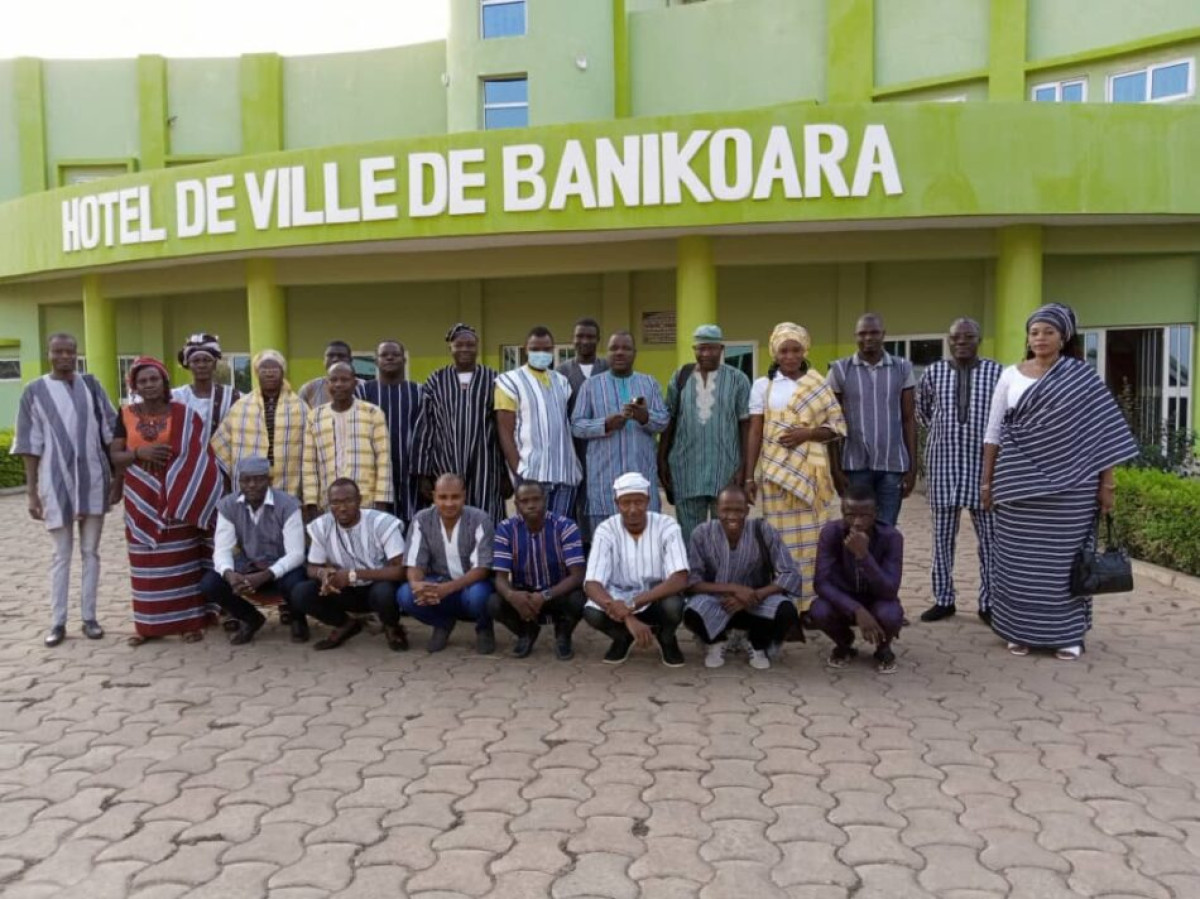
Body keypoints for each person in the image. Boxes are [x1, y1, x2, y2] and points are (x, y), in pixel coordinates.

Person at [982, 303, 1136, 660]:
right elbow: (993, 433)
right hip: (1017, 485)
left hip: (1072, 488)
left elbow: (1105, 434)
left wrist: (1107, 485)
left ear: (1063, 337)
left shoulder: (1081, 377)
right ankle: (1018, 631)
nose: (1040, 338)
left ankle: (1066, 636)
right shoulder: (1009, 375)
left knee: (1063, 562)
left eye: (1048, 332)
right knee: (1017, 562)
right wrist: (986, 483)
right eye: (1034, 332)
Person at [12, 332, 118, 647]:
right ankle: (57, 622)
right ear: (49, 354)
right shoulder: (34, 391)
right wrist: (31, 492)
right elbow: (30, 445)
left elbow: (112, 432)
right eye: (58, 351)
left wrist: (118, 478)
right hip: (54, 484)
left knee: (91, 553)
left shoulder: (92, 385)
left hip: (94, 481)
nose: (65, 356)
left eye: (70, 351)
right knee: (61, 555)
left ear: (76, 353)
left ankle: (90, 618)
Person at [109, 357, 223, 646]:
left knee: (181, 562)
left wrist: (186, 488)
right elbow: (115, 457)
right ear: (134, 386)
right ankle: (147, 627)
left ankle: (188, 623)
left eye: (153, 379)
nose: (148, 385)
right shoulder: (124, 415)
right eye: (142, 381)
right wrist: (139, 454)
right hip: (140, 501)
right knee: (144, 564)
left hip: (179, 498)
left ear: (164, 382)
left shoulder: (184, 413)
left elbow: (200, 456)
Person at [744, 323, 846, 610]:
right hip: (775, 476)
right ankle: (784, 604)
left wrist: (807, 434)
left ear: (805, 351)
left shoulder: (818, 384)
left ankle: (812, 605)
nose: (790, 356)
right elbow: (755, 431)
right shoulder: (763, 386)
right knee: (779, 542)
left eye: (796, 350)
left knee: (813, 543)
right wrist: (750, 476)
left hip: (810, 476)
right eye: (783, 351)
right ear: (775, 353)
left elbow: (837, 428)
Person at [916, 318, 1003, 623]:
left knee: (990, 540)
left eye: (968, 337)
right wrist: (948, 433)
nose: (961, 342)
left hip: (983, 470)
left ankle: (989, 603)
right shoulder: (934, 372)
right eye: (955, 337)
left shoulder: (997, 372)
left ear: (979, 339)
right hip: (943, 465)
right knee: (941, 538)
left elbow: (1006, 417)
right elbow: (922, 412)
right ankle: (943, 599)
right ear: (949, 341)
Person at [683, 485, 802, 670]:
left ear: (747, 510)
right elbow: (692, 582)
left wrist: (755, 595)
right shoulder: (702, 533)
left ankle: (757, 644)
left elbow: (790, 573)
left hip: (757, 602)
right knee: (691, 612)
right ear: (717, 509)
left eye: (738, 510)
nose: (732, 515)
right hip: (718, 602)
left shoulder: (762, 530)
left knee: (786, 611)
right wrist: (734, 589)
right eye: (726, 510)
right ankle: (716, 642)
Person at [582, 472, 689, 667]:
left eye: (638, 502)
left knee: (674, 605)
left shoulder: (667, 526)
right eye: (626, 503)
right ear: (616, 503)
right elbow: (591, 584)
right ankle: (623, 637)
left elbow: (680, 578)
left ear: (648, 500)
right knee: (592, 612)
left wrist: (633, 604)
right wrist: (628, 616)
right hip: (618, 601)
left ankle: (666, 638)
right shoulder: (606, 530)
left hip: (655, 598)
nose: (632, 509)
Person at [200, 455, 309, 645]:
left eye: (258, 479)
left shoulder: (288, 505)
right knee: (211, 583)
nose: (251, 485)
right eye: (246, 480)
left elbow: (296, 554)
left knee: (297, 582)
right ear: (239, 482)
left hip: (281, 568)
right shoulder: (228, 505)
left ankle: (298, 618)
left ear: (269, 480)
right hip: (249, 568)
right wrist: (228, 573)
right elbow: (222, 549)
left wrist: (266, 575)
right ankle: (251, 618)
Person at [571, 331, 670, 535]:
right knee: (606, 543)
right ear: (606, 353)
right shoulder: (591, 386)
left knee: (646, 540)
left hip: (642, 477)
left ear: (635, 353)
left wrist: (644, 417)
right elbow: (577, 425)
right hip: (604, 481)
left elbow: (663, 421)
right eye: (614, 348)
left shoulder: (649, 383)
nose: (620, 353)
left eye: (626, 348)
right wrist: (604, 425)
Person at [292, 478, 408, 651]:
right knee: (301, 593)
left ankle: (392, 627)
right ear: (329, 504)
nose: (342, 508)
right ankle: (346, 624)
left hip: (376, 589)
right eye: (336, 503)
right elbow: (312, 567)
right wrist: (324, 575)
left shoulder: (382, 523)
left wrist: (353, 575)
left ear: (359, 500)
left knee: (384, 593)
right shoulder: (322, 526)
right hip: (343, 590)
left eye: (348, 501)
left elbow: (401, 571)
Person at [660, 324, 752, 542]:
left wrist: (745, 467)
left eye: (711, 348)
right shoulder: (680, 377)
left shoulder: (738, 380)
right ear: (694, 349)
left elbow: (745, 425)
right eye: (701, 348)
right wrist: (661, 460)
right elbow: (669, 420)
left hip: (725, 468)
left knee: (725, 531)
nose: (706, 354)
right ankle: (694, 575)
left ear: (721, 349)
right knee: (690, 534)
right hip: (685, 468)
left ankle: (722, 574)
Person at [827, 314, 917, 527]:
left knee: (886, 529)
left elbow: (908, 419)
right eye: (862, 333)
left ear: (883, 335)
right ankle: (859, 562)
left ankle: (883, 562)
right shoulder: (839, 370)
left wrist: (912, 468)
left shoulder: (902, 368)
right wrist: (835, 470)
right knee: (857, 528)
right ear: (855, 336)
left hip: (892, 465)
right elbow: (831, 423)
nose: (868, 337)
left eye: (874, 332)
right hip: (854, 466)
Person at [411, 324, 506, 523]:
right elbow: (425, 427)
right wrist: (423, 474)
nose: (465, 349)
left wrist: (507, 474)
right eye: (459, 345)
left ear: (477, 347)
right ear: (450, 348)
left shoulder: (494, 380)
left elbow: (504, 427)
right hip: (445, 463)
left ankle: (485, 554)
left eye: (470, 345)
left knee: (486, 517)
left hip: (486, 465)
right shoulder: (436, 380)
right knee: (450, 514)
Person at [808, 483, 905, 674]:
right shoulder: (831, 533)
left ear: (875, 513)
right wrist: (857, 609)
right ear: (842, 512)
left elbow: (890, 589)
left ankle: (883, 648)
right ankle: (844, 644)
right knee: (818, 609)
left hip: (877, 599)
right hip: (844, 600)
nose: (857, 522)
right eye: (851, 515)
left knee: (892, 614)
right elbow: (821, 583)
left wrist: (864, 556)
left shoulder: (891, 537)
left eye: (864, 515)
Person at [397, 473, 497, 654]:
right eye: (443, 497)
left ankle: (484, 627)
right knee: (406, 595)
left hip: (471, 586)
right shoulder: (422, 519)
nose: (449, 503)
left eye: (455, 497)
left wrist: (448, 588)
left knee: (480, 597)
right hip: (440, 583)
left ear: (464, 496)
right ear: (434, 496)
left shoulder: (480, 519)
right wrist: (417, 584)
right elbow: (414, 563)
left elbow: (482, 568)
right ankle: (442, 624)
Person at [488, 482, 586, 660]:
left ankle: (563, 635)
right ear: (516, 505)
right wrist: (512, 596)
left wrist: (545, 595)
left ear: (545, 500)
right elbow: (500, 578)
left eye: (536, 499)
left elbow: (578, 575)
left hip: (557, 592)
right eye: (524, 501)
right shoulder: (505, 529)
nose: (531, 505)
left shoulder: (565, 527)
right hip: (524, 594)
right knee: (494, 602)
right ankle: (526, 632)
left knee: (579, 598)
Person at [495, 326, 582, 517]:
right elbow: (504, 431)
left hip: (564, 472)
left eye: (547, 349)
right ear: (525, 348)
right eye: (535, 349)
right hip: (531, 474)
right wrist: (519, 470)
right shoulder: (509, 382)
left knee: (559, 531)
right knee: (532, 531)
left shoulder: (561, 381)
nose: (541, 353)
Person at [211, 350, 308, 499]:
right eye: (264, 369)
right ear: (257, 373)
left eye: (274, 369)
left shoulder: (301, 407)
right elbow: (221, 445)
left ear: (283, 372)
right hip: (251, 482)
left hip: (289, 481)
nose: (269, 374)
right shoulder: (241, 406)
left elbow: (310, 451)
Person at [302, 361, 391, 518]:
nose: (338, 384)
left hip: (366, 502)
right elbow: (309, 463)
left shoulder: (372, 413)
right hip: (329, 503)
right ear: (327, 383)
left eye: (344, 380)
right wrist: (311, 502)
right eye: (333, 380)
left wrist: (381, 501)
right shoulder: (314, 417)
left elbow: (383, 459)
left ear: (355, 383)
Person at [357, 339, 422, 522]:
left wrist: (424, 472)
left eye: (395, 354)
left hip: (411, 474)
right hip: (373, 470)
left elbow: (425, 434)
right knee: (378, 522)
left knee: (412, 522)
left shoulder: (419, 391)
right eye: (384, 355)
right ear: (376, 361)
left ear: (404, 360)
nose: (390, 358)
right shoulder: (362, 393)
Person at [557, 318, 608, 540]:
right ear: (573, 339)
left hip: (605, 448)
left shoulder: (608, 368)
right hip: (573, 450)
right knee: (577, 504)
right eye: (580, 336)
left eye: (590, 336)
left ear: (598, 339)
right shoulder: (561, 372)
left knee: (602, 502)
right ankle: (581, 554)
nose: (585, 341)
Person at [172, 333, 241, 445]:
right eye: (196, 361)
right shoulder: (177, 397)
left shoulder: (234, 397)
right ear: (188, 365)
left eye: (207, 360)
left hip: (223, 458)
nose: (201, 365)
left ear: (214, 365)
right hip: (188, 458)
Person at [298, 340, 360, 408]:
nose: (335, 359)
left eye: (341, 356)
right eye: (330, 356)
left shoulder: (363, 387)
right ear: (324, 360)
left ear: (350, 360)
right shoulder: (308, 389)